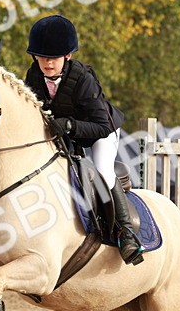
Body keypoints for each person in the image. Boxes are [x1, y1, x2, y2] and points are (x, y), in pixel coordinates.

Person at [23, 14, 143, 265]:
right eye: (42, 57)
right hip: (65, 134)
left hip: (100, 132)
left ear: (67, 55)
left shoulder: (83, 78)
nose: (47, 63)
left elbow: (102, 125)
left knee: (102, 171)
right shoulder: (33, 76)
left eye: (53, 57)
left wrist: (70, 125)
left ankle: (126, 233)